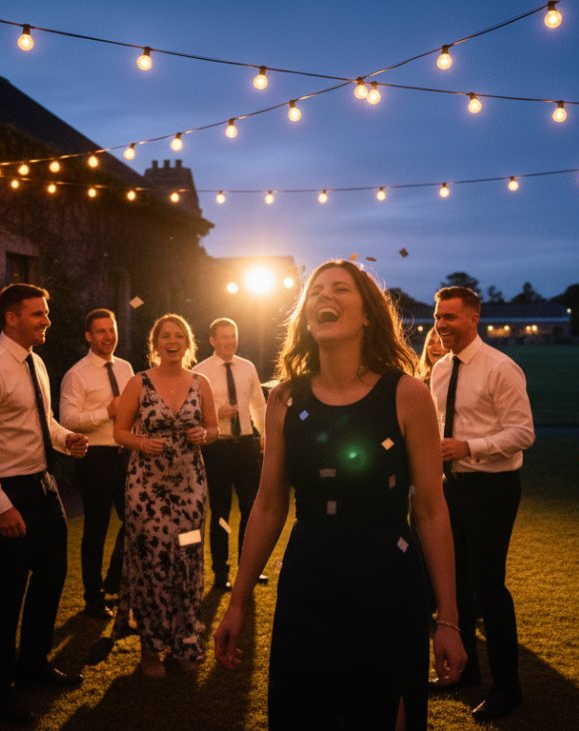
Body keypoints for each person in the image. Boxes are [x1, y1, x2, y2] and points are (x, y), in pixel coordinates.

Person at [214, 260, 467, 730]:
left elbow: (430, 509)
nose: (324, 297)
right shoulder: (285, 399)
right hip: (309, 579)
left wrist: (448, 620)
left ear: (369, 313)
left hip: (387, 583)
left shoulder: (407, 394)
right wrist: (237, 601)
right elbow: (269, 504)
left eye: (340, 289)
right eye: (315, 291)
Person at [0, 283, 90, 724]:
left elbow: (41, 419)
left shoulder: (36, 362)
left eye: (45, 313)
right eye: (37, 314)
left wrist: (65, 439)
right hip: (6, 491)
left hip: (43, 484)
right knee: (8, 590)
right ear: (11, 318)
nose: (47, 320)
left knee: (52, 575)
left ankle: (32, 664)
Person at [430, 285, 535, 721]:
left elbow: (524, 433)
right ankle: (467, 671)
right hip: (450, 488)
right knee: (452, 585)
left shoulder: (501, 368)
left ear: (474, 318)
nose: (441, 325)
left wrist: (468, 447)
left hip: (493, 488)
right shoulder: (438, 368)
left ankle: (508, 688)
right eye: (438, 317)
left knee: (490, 587)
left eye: (450, 317)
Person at [113, 314, 219, 678]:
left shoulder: (201, 382)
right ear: (155, 343)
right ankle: (150, 649)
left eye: (179, 336)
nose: (172, 341)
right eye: (165, 336)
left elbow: (214, 427)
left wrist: (205, 435)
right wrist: (142, 442)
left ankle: (185, 639)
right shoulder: (138, 382)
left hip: (190, 488)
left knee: (187, 558)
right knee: (153, 561)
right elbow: (119, 432)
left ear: (187, 344)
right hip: (146, 490)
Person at [60, 308, 132, 618]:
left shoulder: (127, 369)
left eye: (111, 330)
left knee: (137, 522)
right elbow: (68, 420)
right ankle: (93, 598)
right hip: (96, 457)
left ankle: (115, 580)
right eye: (101, 331)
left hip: (126, 455)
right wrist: (106, 411)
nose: (108, 336)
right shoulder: (77, 374)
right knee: (96, 528)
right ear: (89, 336)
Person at [192, 317, 268, 590]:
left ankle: (248, 570)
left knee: (252, 509)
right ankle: (221, 572)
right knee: (220, 511)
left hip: (246, 446)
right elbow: (190, 413)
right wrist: (214, 413)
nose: (229, 341)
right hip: (217, 447)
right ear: (213, 340)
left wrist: (265, 437)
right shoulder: (201, 372)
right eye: (223, 336)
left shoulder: (247, 368)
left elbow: (259, 405)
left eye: (232, 336)